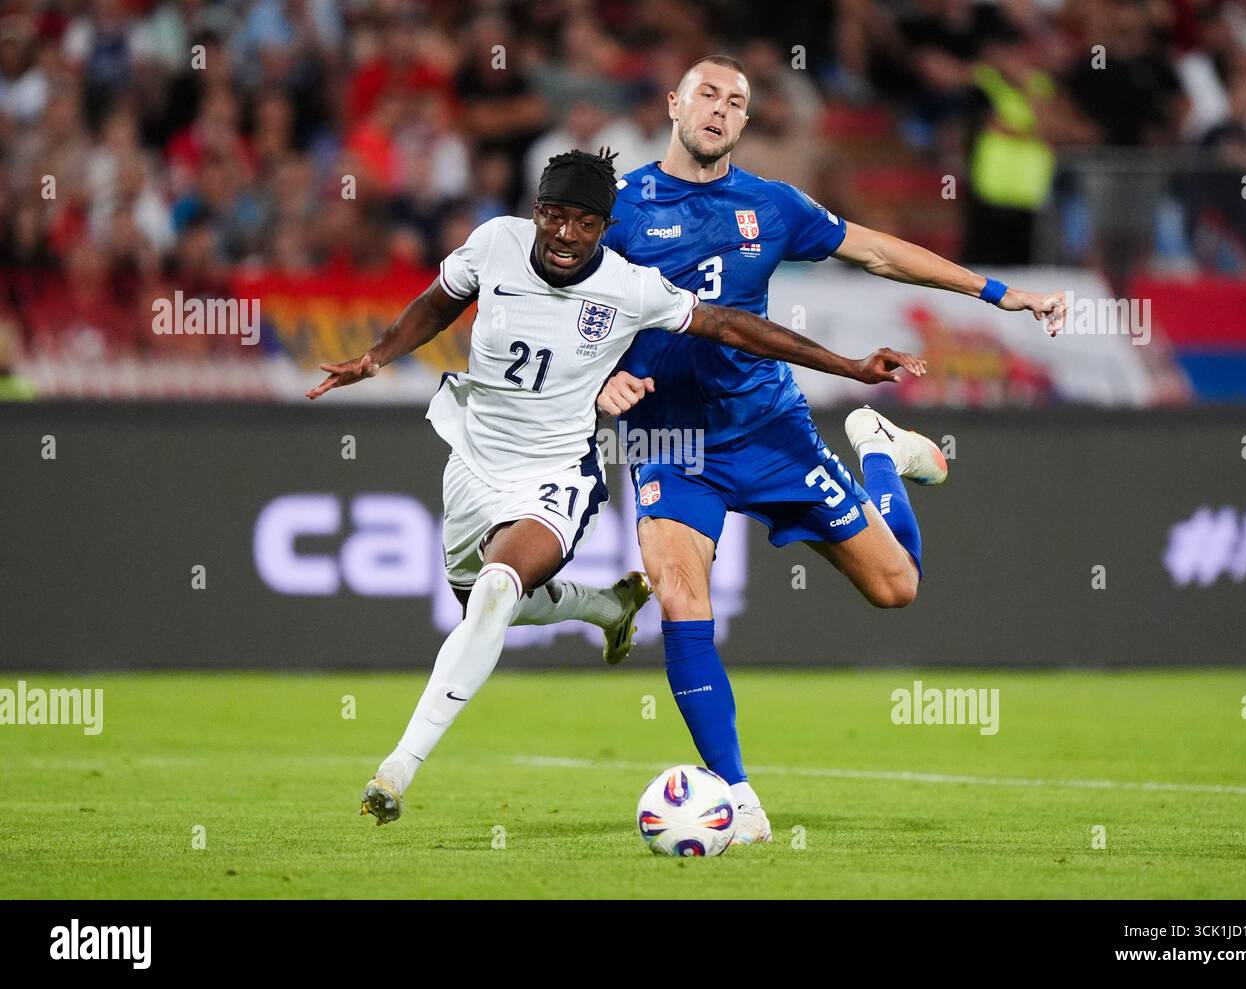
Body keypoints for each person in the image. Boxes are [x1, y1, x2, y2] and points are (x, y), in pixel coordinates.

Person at [306, 148, 927, 825]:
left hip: (557, 473)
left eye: (584, 221)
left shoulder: (631, 286)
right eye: (554, 215)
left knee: (495, 590)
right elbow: (437, 304)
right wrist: (375, 357)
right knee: (484, 602)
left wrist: (847, 366)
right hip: (474, 464)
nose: (566, 234)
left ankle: (398, 768)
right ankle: (601, 605)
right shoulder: (494, 245)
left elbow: (731, 324)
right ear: (536, 211)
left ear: (606, 226)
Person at [596, 56, 1068, 844]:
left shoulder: (772, 207)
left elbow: (880, 251)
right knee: (680, 595)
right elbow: (562, 303)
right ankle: (740, 797)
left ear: (746, 124)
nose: (719, 108)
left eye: (736, 101)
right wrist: (600, 379)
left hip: (770, 431)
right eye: (706, 93)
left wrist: (999, 292)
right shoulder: (618, 209)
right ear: (674, 103)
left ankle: (877, 453)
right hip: (670, 441)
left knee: (897, 588)